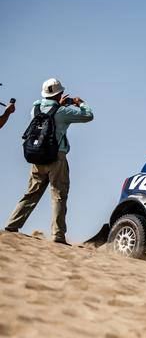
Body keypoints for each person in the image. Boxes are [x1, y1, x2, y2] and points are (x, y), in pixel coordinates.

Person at [5, 78, 94, 244]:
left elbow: (48, 112)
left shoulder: (35, 108)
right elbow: (88, 116)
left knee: (31, 193)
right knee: (59, 195)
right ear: (59, 93)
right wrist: (80, 103)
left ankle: (12, 224)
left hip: (37, 155)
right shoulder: (63, 112)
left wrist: (58, 104)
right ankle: (58, 235)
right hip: (56, 157)